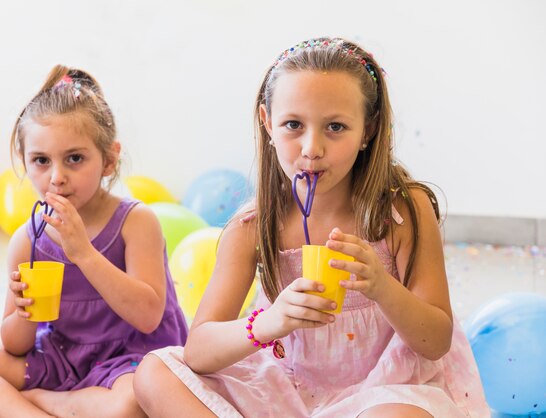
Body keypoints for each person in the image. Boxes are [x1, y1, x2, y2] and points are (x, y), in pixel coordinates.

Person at [134, 37, 490, 417]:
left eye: (335, 127)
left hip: (384, 388)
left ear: (367, 131)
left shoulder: (402, 211)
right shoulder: (253, 227)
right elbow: (199, 350)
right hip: (284, 387)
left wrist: (383, 288)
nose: (312, 147)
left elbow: (434, 341)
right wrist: (269, 322)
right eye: (293, 125)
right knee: (153, 374)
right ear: (267, 123)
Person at [0, 65, 188, 418]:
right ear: (25, 162)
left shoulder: (135, 222)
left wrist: (84, 254)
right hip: (59, 361)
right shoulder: (26, 241)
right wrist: (24, 312)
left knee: (131, 406)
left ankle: (34, 406)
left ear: (109, 159)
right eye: (41, 161)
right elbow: (15, 344)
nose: (57, 177)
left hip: (132, 360)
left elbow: (148, 317)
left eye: (74, 159)